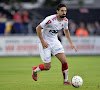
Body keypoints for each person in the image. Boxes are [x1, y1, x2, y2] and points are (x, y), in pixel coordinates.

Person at [32, 3, 77, 85]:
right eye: (62, 11)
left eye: (65, 11)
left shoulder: (65, 21)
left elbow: (66, 31)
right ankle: (35, 69)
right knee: (47, 67)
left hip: (55, 41)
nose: (64, 13)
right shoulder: (50, 20)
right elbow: (38, 28)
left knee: (64, 61)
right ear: (57, 11)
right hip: (45, 42)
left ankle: (65, 81)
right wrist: (42, 41)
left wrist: (71, 43)